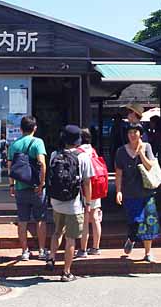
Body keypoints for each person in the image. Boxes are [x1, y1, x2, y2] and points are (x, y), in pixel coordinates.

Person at [45, 125, 94, 282]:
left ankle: (51, 257)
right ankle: (66, 272)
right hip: (74, 204)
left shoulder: (54, 154)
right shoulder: (83, 156)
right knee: (71, 238)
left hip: (56, 201)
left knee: (57, 231)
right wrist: (88, 202)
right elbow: (87, 183)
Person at [115, 123, 161, 262]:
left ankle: (148, 253)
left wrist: (141, 153)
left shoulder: (147, 147)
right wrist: (118, 191)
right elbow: (118, 173)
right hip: (129, 192)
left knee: (149, 223)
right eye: (130, 132)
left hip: (147, 192)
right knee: (134, 222)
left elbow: (149, 166)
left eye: (135, 132)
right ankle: (131, 238)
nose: (132, 135)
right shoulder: (121, 151)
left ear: (140, 134)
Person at [7, 115, 49, 261]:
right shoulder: (38, 142)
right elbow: (42, 164)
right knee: (40, 219)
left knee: (22, 220)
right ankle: (42, 250)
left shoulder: (14, 145)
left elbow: (10, 167)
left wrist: (11, 185)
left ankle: (25, 251)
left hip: (20, 187)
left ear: (20, 129)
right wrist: (42, 183)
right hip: (36, 187)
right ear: (35, 128)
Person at [77, 128, 103, 258]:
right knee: (96, 218)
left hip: (84, 189)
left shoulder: (79, 152)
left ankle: (83, 249)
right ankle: (96, 247)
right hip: (96, 187)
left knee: (85, 220)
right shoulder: (93, 150)